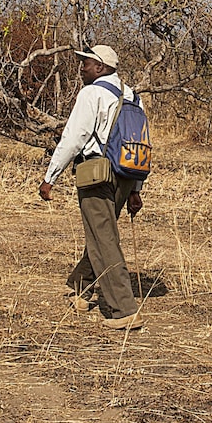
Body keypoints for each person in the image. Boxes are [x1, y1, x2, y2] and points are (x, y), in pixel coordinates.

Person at [39, 45, 146, 330]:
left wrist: (51, 176)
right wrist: (136, 188)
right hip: (125, 175)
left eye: (85, 63)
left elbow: (75, 138)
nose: (81, 68)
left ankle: (123, 309)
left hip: (96, 172)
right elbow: (139, 144)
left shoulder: (91, 93)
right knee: (102, 233)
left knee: (103, 240)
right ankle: (81, 287)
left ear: (100, 67)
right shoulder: (133, 96)